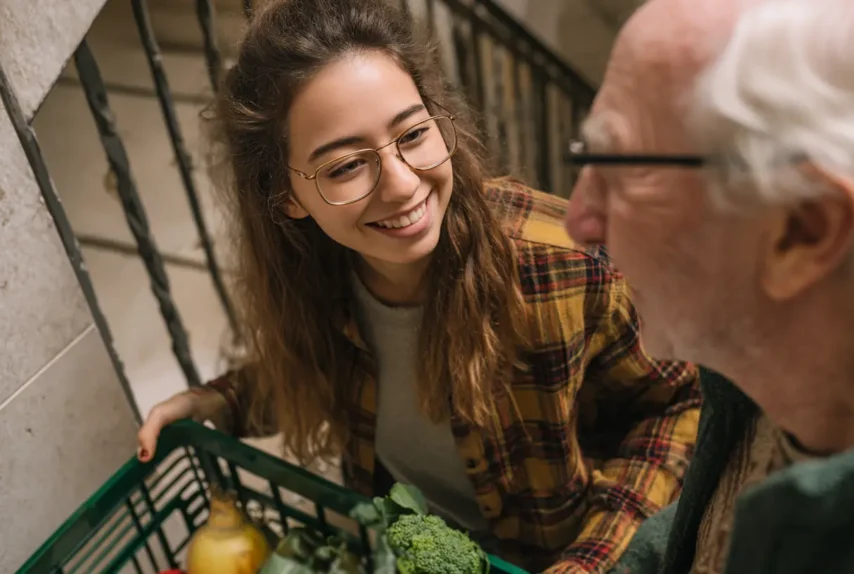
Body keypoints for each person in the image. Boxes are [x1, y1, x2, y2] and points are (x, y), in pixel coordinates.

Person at [135, 0, 702, 572]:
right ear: (285, 195)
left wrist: (589, 562)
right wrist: (219, 400)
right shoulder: (319, 278)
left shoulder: (566, 263)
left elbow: (680, 404)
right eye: (345, 166)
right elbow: (316, 371)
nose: (403, 186)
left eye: (412, 133)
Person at [565, 0, 854, 572]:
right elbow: (716, 526)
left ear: (805, 228)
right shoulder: (781, 356)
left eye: (622, 166)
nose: (580, 220)